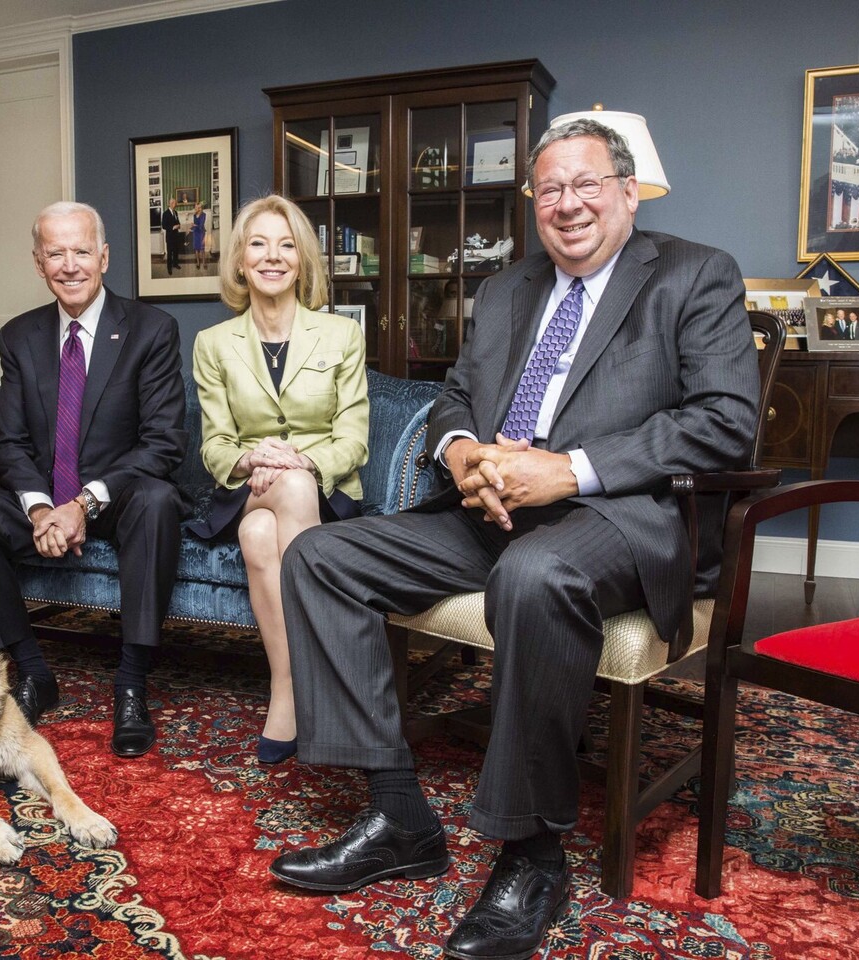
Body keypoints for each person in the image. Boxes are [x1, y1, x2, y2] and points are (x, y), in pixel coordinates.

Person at [268, 118, 759, 960]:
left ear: (627, 192)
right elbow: (456, 396)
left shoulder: (694, 274)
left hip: (616, 517)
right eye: (550, 190)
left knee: (534, 575)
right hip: (487, 511)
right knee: (319, 556)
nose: (567, 205)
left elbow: (726, 423)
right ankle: (398, 814)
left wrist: (569, 470)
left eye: (587, 185)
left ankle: (532, 854)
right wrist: (462, 452)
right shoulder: (504, 290)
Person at [0, 201, 187, 748]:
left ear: (103, 258)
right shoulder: (20, 337)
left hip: (118, 499)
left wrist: (83, 504)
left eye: (81, 251)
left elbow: (164, 443)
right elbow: (8, 443)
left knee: (159, 501)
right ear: (38, 262)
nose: (69, 265)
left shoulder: (151, 330)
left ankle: (131, 683)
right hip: (48, 503)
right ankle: (32, 670)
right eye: (56, 253)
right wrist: (40, 507)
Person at [189, 195, 369, 764]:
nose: (273, 257)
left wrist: (307, 463)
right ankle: (328, 675)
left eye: (287, 244)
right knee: (278, 495)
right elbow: (216, 445)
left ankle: (287, 690)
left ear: (303, 259)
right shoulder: (213, 344)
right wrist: (250, 461)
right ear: (240, 260)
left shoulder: (342, 334)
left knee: (259, 537)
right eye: (259, 244)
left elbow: (354, 437)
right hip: (247, 489)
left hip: (327, 493)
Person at [161, 197, 182, 275]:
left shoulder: (175, 212)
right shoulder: (165, 213)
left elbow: (177, 221)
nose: (175, 204)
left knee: (176, 252)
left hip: (176, 236)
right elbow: (163, 226)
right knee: (170, 253)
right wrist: (173, 227)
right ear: (170, 204)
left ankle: (175, 264)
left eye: (175, 203)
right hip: (170, 237)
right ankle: (169, 268)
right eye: (174, 203)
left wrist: (179, 225)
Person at [191, 202, 208, 270]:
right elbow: (194, 224)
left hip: (201, 233)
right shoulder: (194, 215)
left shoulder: (203, 215)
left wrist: (194, 225)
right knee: (196, 249)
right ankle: (198, 263)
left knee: (202, 249)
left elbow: (201, 225)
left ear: (200, 207)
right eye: (196, 207)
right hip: (195, 233)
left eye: (198, 207)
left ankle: (204, 263)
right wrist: (191, 227)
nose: (197, 208)